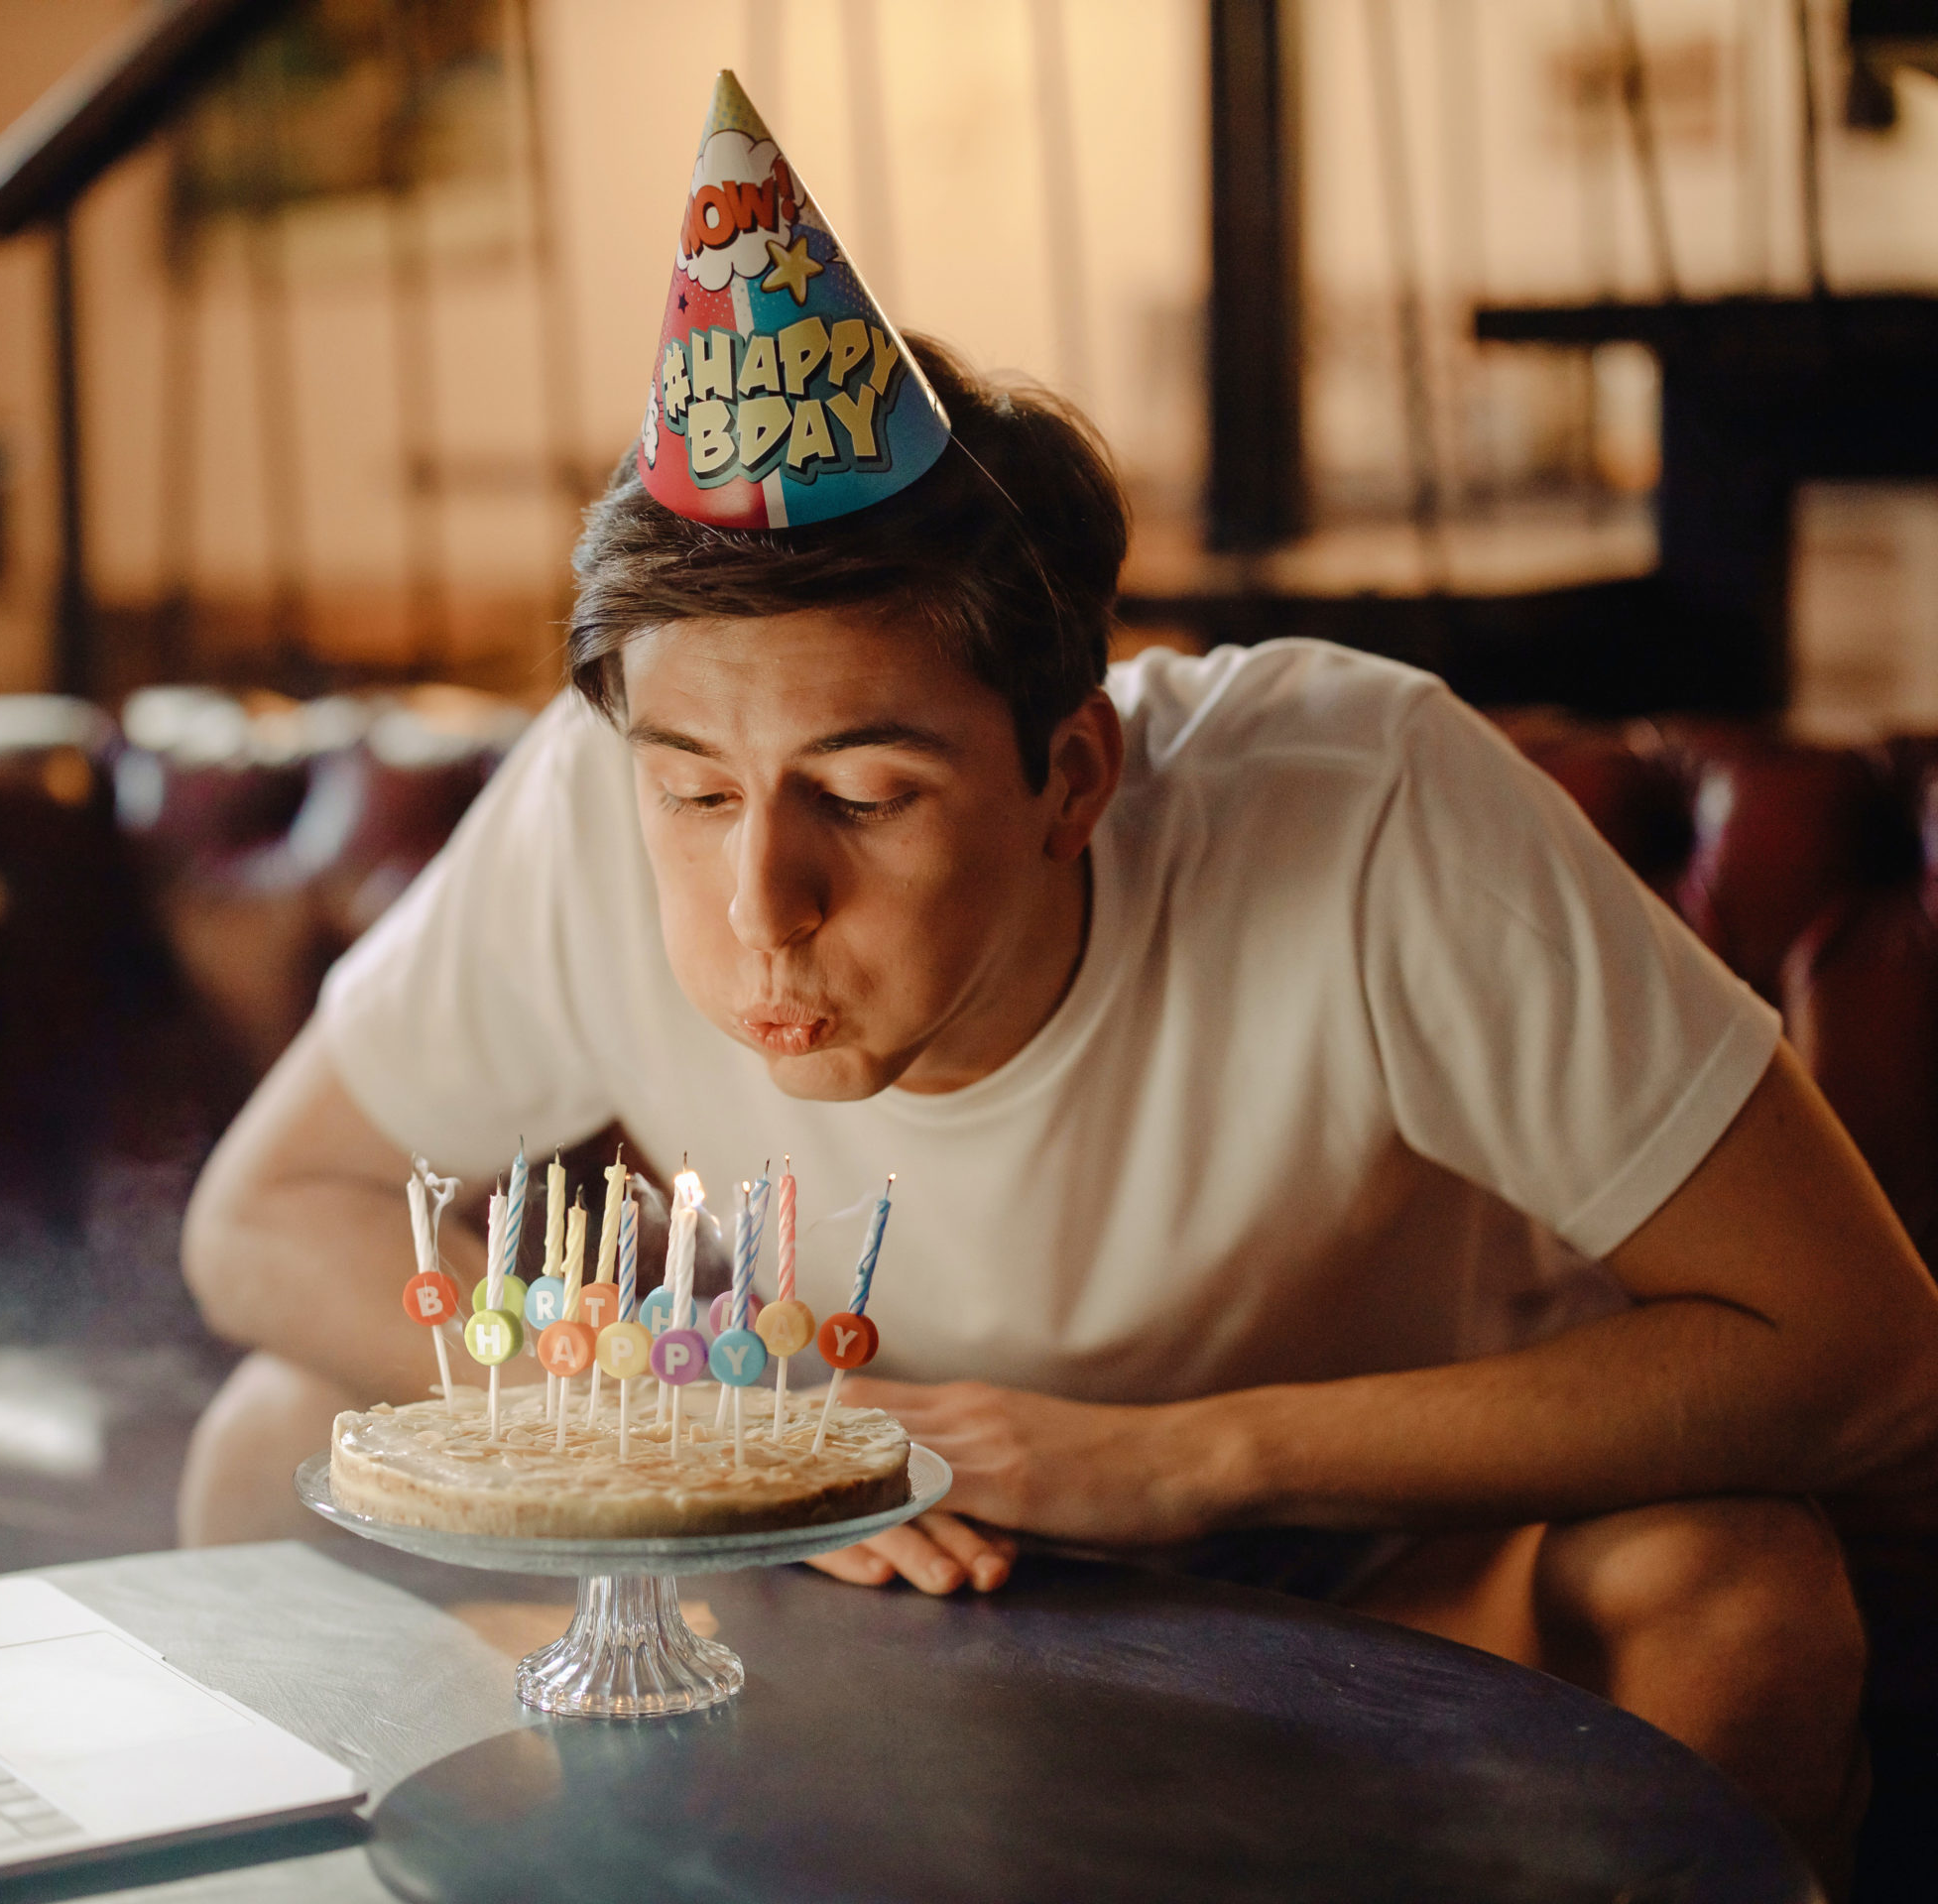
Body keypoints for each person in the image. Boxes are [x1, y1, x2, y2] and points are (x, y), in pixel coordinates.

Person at [181, 76, 1938, 1883]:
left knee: (1733, 1589)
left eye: (866, 794)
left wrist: (1178, 1462)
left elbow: (1867, 1352)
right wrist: (712, 1458)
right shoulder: (583, 795)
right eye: (695, 792)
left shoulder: (1360, 806)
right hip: (846, 1585)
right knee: (269, 1439)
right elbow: (258, 1220)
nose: (761, 896)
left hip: (1374, 1590)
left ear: (1072, 780)